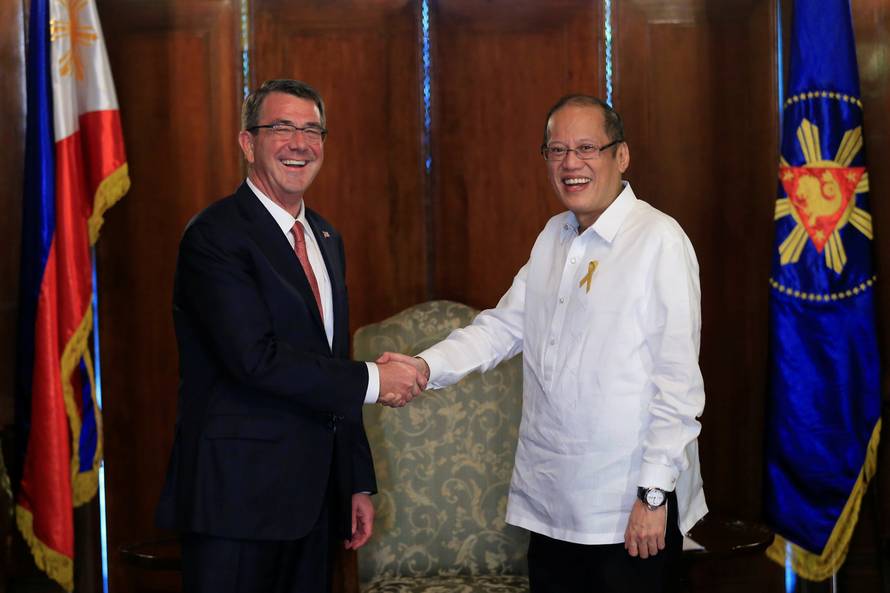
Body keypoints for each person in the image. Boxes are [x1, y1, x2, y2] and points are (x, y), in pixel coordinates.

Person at [379, 95, 707, 593]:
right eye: (556, 151)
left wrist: (654, 497)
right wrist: (426, 367)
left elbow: (678, 385)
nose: (570, 164)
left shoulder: (659, 240)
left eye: (586, 148)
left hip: (627, 510)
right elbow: (502, 328)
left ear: (621, 156)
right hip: (551, 502)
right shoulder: (554, 235)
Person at [155, 79, 424, 593]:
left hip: (315, 502)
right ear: (247, 142)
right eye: (281, 128)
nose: (299, 143)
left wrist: (356, 480)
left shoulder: (326, 237)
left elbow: (327, 363)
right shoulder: (214, 236)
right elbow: (255, 359)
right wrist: (375, 379)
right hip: (236, 502)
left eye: (311, 130)